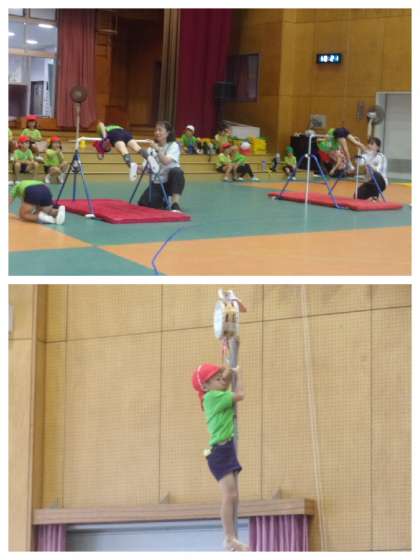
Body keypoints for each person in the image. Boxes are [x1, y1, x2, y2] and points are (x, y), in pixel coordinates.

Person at [192, 363, 249, 552]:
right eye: (215, 378)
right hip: (220, 452)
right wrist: (238, 374)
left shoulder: (215, 393)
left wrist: (228, 369)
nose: (221, 379)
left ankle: (231, 537)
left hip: (226, 451)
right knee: (229, 495)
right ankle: (229, 538)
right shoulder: (211, 397)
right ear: (205, 386)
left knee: (234, 496)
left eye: (219, 376)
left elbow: (224, 381)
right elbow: (240, 395)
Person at [138, 120, 186, 212]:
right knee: (143, 203)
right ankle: (164, 199)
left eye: (160, 130)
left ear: (167, 133)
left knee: (177, 172)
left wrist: (157, 149)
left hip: (170, 182)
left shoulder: (173, 145)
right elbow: (146, 170)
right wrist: (136, 167)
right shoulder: (150, 149)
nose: (157, 132)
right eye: (156, 130)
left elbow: (165, 161)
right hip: (157, 182)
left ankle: (175, 204)